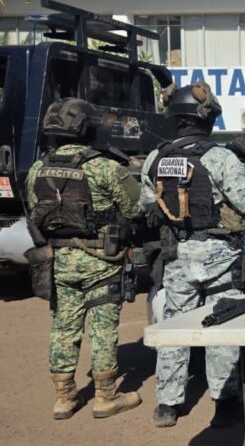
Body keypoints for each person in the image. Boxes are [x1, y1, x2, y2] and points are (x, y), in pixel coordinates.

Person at [143, 82, 245, 428]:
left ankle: (168, 405)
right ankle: (224, 403)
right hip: (219, 255)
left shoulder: (156, 157)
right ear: (206, 118)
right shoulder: (219, 157)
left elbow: (147, 205)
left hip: (177, 253)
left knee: (174, 327)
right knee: (220, 327)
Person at [26, 98, 143, 420]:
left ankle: (64, 398)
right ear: (87, 129)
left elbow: (36, 210)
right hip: (102, 261)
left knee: (63, 327)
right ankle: (106, 396)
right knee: (103, 328)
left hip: (59, 261)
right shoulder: (105, 167)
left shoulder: (38, 168)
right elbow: (134, 208)